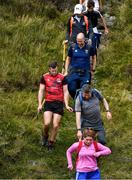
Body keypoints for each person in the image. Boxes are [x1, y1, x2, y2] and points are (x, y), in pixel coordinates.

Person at [38, 61, 73, 151]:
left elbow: (66, 91)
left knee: (55, 125)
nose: (54, 71)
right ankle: (45, 136)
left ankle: (51, 142)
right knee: (46, 123)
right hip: (48, 102)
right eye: (52, 70)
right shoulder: (44, 77)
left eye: (55, 69)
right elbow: (41, 90)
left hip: (58, 103)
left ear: (57, 68)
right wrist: (39, 104)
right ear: (49, 69)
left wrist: (67, 104)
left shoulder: (62, 77)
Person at [64, 33, 96, 99]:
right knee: (71, 88)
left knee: (84, 89)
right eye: (78, 41)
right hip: (74, 72)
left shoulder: (89, 47)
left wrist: (93, 69)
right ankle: (77, 100)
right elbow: (68, 59)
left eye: (80, 41)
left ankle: (81, 104)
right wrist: (66, 70)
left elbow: (94, 57)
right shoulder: (72, 47)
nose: (79, 43)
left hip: (85, 72)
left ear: (84, 39)